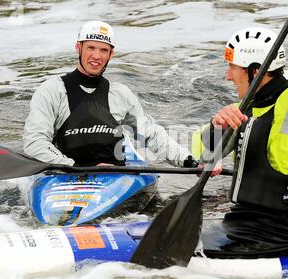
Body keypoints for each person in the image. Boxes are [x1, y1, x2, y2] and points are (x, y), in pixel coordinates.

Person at [191, 0, 288, 250]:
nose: (227, 76)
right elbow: (202, 153)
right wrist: (217, 126)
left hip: (272, 235)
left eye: (232, 67)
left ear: (255, 71)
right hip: (238, 223)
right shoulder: (246, 108)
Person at [23, 20, 197, 169]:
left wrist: (188, 161)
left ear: (111, 54)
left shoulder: (120, 94)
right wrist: (76, 168)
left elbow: (151, 134)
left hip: (113, 174)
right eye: (91, 48)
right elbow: (35, 142)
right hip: (65, 171)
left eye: (104, 50)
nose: (96, 56)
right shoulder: (52, 90)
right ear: (78, 48)